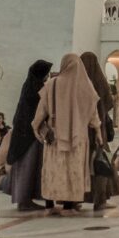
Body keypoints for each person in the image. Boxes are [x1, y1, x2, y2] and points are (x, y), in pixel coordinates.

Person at [32, 54, 104, 216]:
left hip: (55, 135)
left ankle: (50, 205)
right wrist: (98, 132)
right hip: (77, 136)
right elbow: (93, 115)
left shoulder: (52, 84)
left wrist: (37, 127)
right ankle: (68, 207)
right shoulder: (85, 86)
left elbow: (41, 111)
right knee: (73, 170)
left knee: (53, 169)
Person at [7, 60, 52, 211]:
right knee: (28, 166)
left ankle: (25, 200)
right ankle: (24, 201)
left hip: (24, 134)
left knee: (27, 167)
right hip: (29, 136)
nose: (47, 76)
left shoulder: (29, 87)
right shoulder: (37, 89)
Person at [81, 52, 118, 210]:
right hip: (97, 130)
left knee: (82, 165)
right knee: (100, 164)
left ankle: (77, 199)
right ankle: (100, 200)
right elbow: (109, 102)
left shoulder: (78, 82)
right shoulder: (99, 82)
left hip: (80, 130)